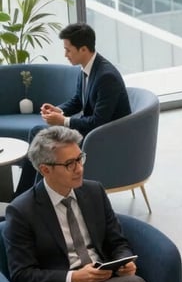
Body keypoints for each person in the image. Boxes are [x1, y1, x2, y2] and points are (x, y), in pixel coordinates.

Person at [3, 126, 179, 282]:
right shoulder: (23, 211)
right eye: (70, 164)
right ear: (45, 169)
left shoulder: (93, 191)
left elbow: (118, 241)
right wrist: (73, 278)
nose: (79, 168)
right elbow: (22, 275)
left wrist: (125, 261)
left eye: (80, 158)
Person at [14, 22, 130, 196]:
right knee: (37, 132)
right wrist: (58, 110)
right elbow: (78, 100)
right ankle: (27, 195)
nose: (65, 54)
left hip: (102, 138)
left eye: (68, 50)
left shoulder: (106, 77)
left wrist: (64, 121)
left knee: (41, 136)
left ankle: (35, 198)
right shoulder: (87, 68)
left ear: (83, 49)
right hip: (91, 130)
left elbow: (99, 121)